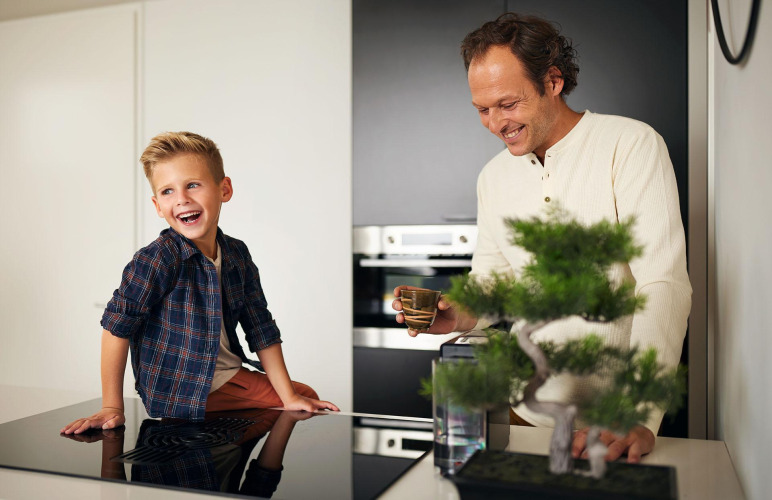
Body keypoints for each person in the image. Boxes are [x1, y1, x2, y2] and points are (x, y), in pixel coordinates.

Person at [393, 13, 691, 464]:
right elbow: (495, 285)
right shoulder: (493, 177)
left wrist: (638, 411)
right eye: (482, 109)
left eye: (508, 104)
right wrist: (456, 317)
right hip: (517, 414)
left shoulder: (629, 145)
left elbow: (662, 284)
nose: (495, 124)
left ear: (552, 81)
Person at [62, 131, 339, 435]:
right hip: (184, 387)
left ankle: (234, 456)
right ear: (157, 205)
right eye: (167, 191)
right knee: (305, 397)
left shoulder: (236, 253)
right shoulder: (157, 259)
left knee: (301, 397)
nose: (181, 199)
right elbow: (116, 327)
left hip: (224, 376)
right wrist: (112, 407)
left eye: (193, 185)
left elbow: (260, 326)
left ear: (225, 189)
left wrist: (288, 397)